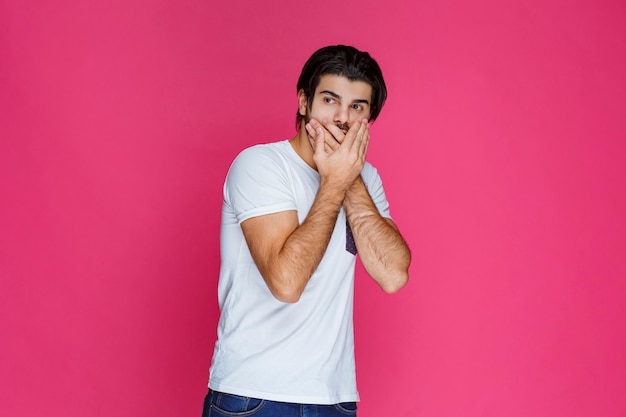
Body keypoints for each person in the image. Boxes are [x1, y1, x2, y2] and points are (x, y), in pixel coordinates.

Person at [202, 45, 411, 417]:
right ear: (304, 102)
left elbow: (393, 275)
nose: (342, 118)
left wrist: (350, 181)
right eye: (330, 99)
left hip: (335, 398)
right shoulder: (261, 165)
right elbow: (286, 283)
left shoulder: (366, 179)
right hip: (254, 396)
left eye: (358, 107)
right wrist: (334, 183)